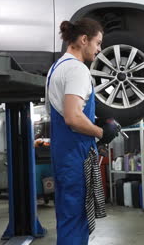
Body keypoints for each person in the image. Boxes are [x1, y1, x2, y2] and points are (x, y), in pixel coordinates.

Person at [45, 18, 120, 244]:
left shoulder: (56, 67)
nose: (99, 49)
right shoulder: (76, 69)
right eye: (97, 43)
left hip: (64, 155)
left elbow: (65, 110)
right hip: (75, 158)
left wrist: (95, 120)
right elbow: (73, 117)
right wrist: (101, 132)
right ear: (83, 39)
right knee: (75, 222)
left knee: (70, 218)